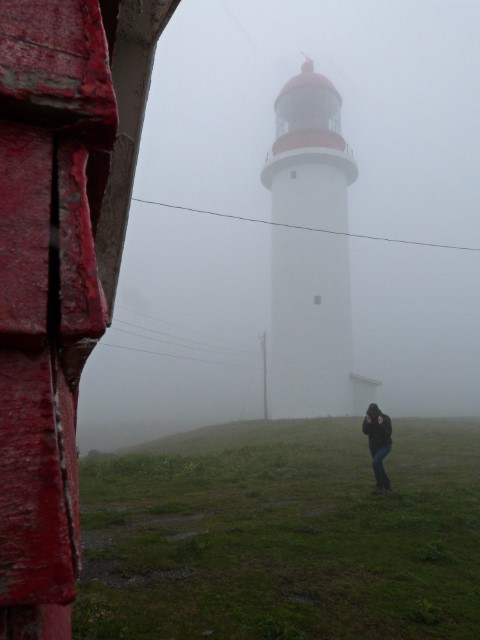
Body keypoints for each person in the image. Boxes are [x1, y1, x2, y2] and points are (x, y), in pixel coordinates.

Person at [362, 403, 392, 495]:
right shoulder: (368, 418)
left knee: (375, 462)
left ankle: (380, 485)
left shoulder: (385, 418)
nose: (370, 415)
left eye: (372, 413)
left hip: (385, 445)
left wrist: (381, 424)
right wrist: (369, 423)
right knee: (378, 465)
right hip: (373, 446)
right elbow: (365, 432)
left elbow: (388, 433)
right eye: (369, 413)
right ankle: (385, 486)